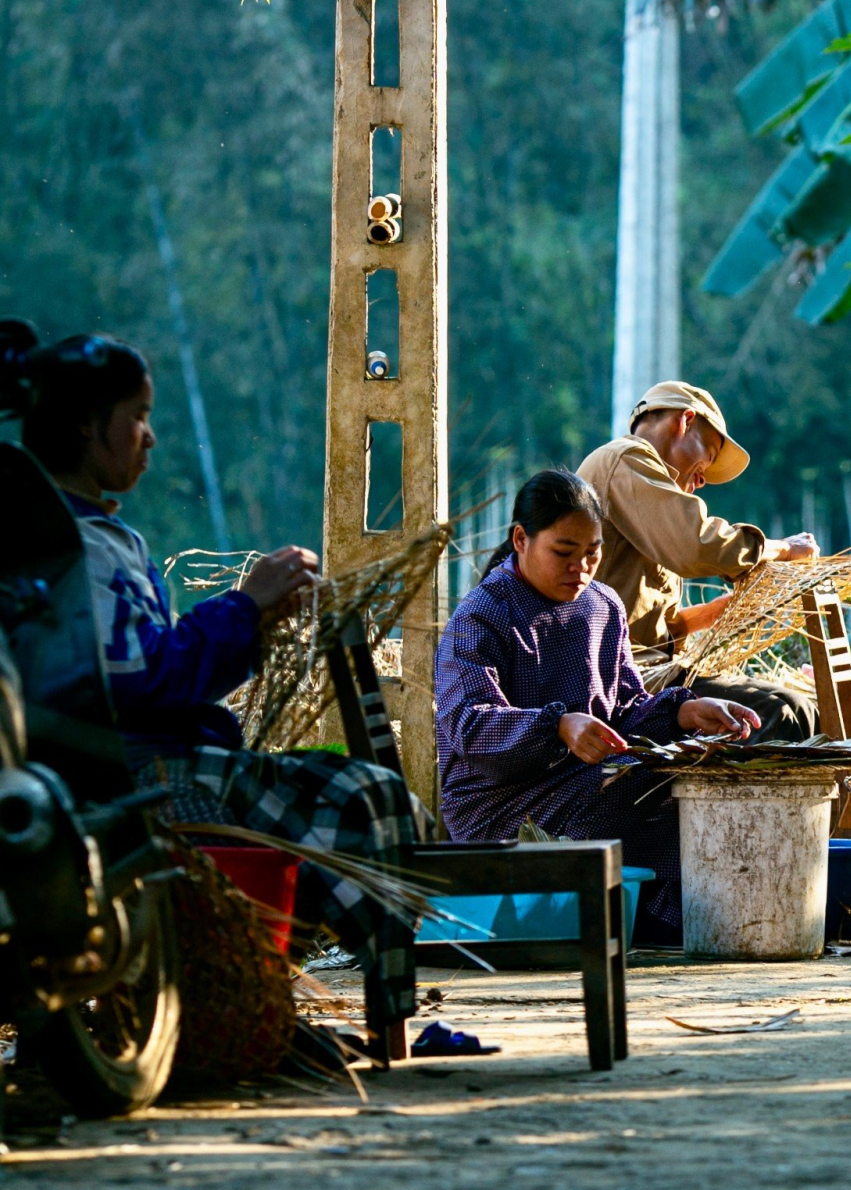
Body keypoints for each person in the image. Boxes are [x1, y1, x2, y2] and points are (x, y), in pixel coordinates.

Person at [4, 325, 421, 1023]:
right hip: (136, 774)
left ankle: (274, 995)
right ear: (85, 424)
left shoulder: (89, 537)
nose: (150, 436)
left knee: (359, 791)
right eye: (137, 416)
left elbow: (150, 663)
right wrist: (244, 604)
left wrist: (251, 619)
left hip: (131, 759)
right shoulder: (77, 548)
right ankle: (386, 1011)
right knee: (364, 792)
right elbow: (147, 679)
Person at [434, 468, 762, 944]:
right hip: (500, 802)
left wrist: (681, 712)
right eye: (564, 553)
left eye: (593, 553)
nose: (581, 569)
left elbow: (625, 706)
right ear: (521, 540)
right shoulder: (481, 617)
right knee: (640, 792)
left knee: (696, 781)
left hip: (590, 776)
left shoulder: (602, 606)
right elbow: (468, 725)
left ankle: (678, 920)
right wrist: (558, 727)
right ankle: (658, 922)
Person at [577, 382, 819, 742]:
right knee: (781, 714)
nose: (703, 479)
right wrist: (781, 548)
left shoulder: (646, 494)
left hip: (651, 668)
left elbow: (656, 628)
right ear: (685, 421)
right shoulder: (625, 459)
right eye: (708, 453)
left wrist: (719, 611)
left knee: (801, 708)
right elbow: (699, 545)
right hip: (619, 679)